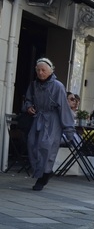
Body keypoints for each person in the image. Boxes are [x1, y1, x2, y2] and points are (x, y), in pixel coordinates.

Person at [23, 58, 76, 191]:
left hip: (53, 120)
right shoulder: (34, 85)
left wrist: (69, 131)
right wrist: (29, 106)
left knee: (47, 147)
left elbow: (64, 108)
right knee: (32, 143)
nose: (40, 73)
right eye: (38, 70)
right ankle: (42, 172)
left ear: (50, 71)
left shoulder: (58, 86)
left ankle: (44, 176)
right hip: (38, 117)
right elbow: (28, 99)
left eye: (43, 70)